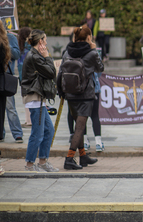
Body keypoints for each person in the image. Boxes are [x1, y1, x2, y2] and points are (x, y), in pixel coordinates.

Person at [57, 25, 104, 170]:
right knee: (80, 127)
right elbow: (100, 68)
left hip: (70, 94)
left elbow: (60, 73)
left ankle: (83, 156)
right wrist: (95, 50)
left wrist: (61, 92)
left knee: (78, 125)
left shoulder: (67, 52)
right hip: (85, 95)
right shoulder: (91, 53)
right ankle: (69, 158)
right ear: (89, 38)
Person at [21, 29, 59, 172]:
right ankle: (30, 165)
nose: (47, 42)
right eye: (45, 39)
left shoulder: (36, 55)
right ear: (41, 41)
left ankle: (43, 162)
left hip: (39, 97)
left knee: (49, 130)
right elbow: (51, 72)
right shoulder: (35, 56)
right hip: (34, 97)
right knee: (37, 133)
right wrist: (48, 57)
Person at [2, 31, 22, 143]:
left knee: (10, 107)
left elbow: (17, 54)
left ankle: (17, 133)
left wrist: (5, 45)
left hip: (6, 76)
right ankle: (1, 133)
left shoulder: (10, 37)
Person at [17, 27, 32, 126]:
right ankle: (29, 120)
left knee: (26, 100)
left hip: (23, 77)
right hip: (29, 77)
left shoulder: (21, 48)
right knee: (29, 99)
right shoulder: (29, 47)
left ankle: (28, 120)